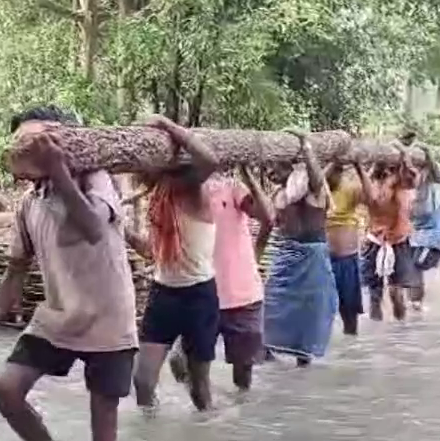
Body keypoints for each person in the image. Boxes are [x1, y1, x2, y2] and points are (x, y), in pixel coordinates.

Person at [0, 105, 137, 441]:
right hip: (59, 318)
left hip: (109, 320)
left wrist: (59, 171)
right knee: (5, 391)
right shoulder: (29, 204)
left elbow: (93, 228)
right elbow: (14, 274)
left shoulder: (97, 180)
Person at [130, 115, 222, 411]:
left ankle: (207, 439)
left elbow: (210, 160)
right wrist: (122, 231)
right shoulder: (159, 196)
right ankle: (151, 439)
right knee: (143, 382)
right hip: (164, 292)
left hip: (199, 294)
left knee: (199, 390)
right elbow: (153, 253)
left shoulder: (188, 187)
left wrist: (167, 126)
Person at [162, 164, 275, 394]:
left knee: (243, 377)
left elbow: (268, 217)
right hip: (201, 293)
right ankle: (211, 411)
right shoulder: (180, 192)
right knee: (183, 365)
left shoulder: (232, 188)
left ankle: (230, 419)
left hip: (241, 294)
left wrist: (249, 176)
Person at [258, 132, 338, 366]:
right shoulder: (280, 194)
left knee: (309, 311)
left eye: (276, 168)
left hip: (311, 255)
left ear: (290, 167)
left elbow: (316, 178)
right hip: (286, 255)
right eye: (268, 168)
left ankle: (302, 359)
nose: (271, 173)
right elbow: (269, 222)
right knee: (270, 304)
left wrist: (306, 146)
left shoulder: (311, 189)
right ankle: (268, 354)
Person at [357, 147, 420, 321]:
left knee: (395, 291)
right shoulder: (372, 183)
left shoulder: (399, 182)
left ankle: (399, 331)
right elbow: (366, 196)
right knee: (374, 293)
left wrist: (405, 156)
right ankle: (385, 332)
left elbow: (411, 179)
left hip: (397, 239)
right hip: (375, 238)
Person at [406, 146, 440, 311]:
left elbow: (439, 176)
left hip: (434, 228)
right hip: (417, 229)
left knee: (416, 265)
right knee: (410, 266)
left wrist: (428, 154)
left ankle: (416, 304)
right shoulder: (407, 175)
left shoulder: (430, 176)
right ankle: (414, 305)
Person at [324, 162, 366, 335]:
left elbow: (370, 197)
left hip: (346, 257)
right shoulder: (315, 189)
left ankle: (351, 350)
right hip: (322, 259)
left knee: (349, 311)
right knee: (322, 311)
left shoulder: (350, 188)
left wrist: (358, 167)